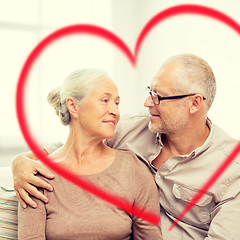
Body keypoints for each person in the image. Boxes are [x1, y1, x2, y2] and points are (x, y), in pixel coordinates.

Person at [13, 54, 240, 239]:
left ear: (194, 104)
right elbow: (77, 146)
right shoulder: (131, 128)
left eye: (158, 96)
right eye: (150, 91)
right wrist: (21, 162)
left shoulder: (236, 169)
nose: (147, 102)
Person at [16, 68, 162, 240]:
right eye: (105, 100)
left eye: (117, 103)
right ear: (73, 106)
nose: (115, 111)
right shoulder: (36, 176)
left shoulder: (133, 169)